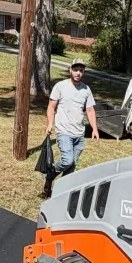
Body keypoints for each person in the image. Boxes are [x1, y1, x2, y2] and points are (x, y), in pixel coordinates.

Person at [44, 59, 99, 197]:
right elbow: (51, 107)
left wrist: (95, 129)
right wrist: (50, 123)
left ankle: (60, 194)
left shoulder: (86, 89)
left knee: (72, 166)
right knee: (67, 160)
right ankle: (51, 174)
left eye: (81, 70)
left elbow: (90, 111)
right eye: (75, 70)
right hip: (64, 131)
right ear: (70, 70)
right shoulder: (60, 86)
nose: (78, 73)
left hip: (79, 134)